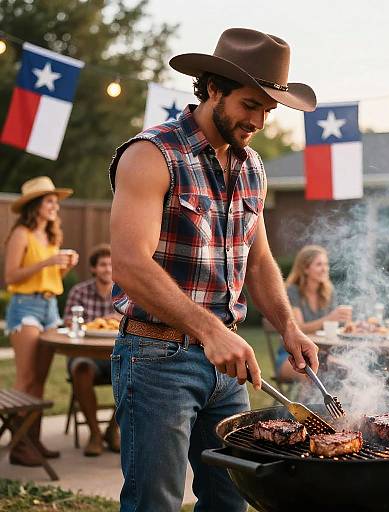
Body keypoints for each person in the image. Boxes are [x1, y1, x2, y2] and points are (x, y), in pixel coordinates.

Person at [109, 27, 319, 512]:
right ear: (214, 88)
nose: (260, 120)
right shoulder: (152, 153)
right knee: (154, 502)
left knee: (232, 499)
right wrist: (210, 331)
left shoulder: (253, 168)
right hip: (156, 357)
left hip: (228, 365)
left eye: (270, 109)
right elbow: (129, 265)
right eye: (251, 105)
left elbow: (259, 258)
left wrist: (290, 326)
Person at [4, 176, 78, 467]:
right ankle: (20, 445)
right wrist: (47, 263)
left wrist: (62, 269)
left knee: (41, 380)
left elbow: (47, 277)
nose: (54, 206)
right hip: (25, 307)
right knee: (26, 378)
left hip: (49, 307)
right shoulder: (21, 234)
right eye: (49, 201)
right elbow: (11, 277)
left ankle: (32, 440)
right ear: (36, 205)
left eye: (55, 201)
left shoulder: (50, 235)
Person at [64, 243, 121, 457]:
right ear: (94, 269)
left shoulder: (124, 291)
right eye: (103, 265)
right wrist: (99, 321)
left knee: (137, 372)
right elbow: (69, 321)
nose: (108, 269)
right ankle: (95, 433)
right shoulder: (79, 291)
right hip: (87, 356)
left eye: (111, 264)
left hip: (116, 356)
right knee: (80, 368)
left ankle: (112, 429)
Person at [276, 245, 352, 382]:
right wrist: (330, 318)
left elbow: (337, 327)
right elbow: (298, 328)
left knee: (345, 369)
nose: (325, 269)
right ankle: (308, 403)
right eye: (319, 264)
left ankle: (325, 402)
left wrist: (349, 324)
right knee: (324, 372)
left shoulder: (328, 292)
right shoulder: (293, 291)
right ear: (305, 269)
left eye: (326, 264)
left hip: (323, 354)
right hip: (292, 357)